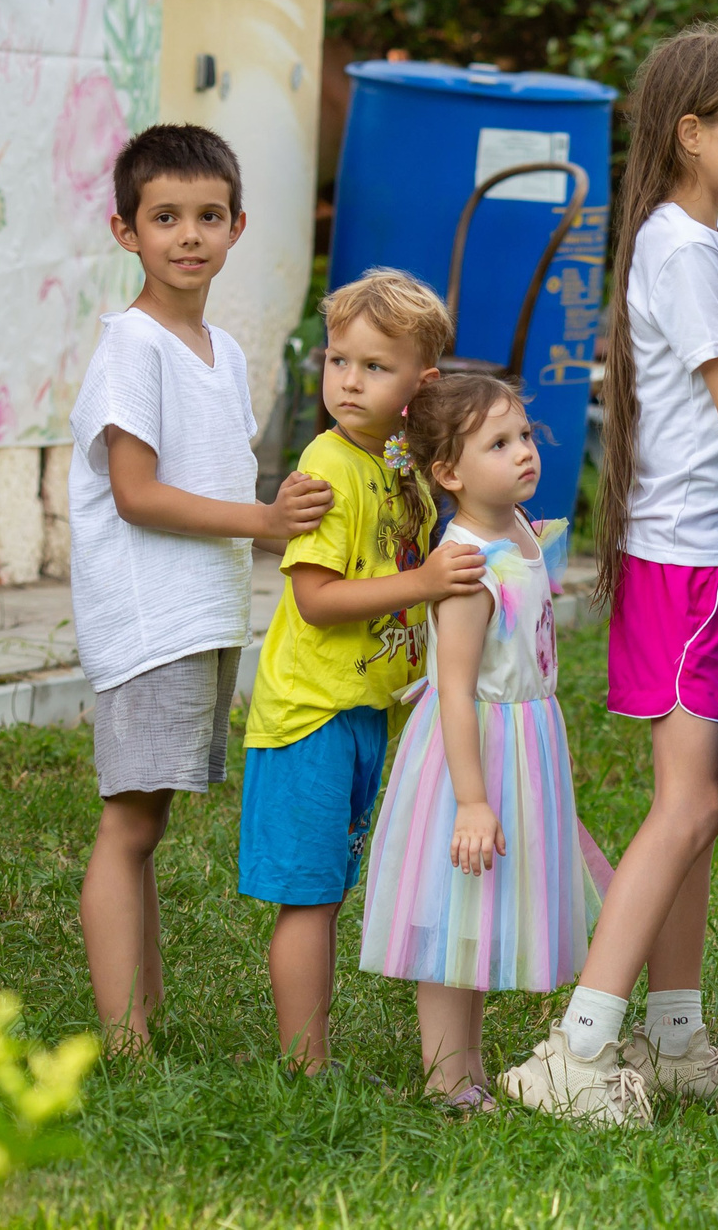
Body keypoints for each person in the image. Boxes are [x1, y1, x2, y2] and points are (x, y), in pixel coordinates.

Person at [502, 22, 718, 1124]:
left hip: (714, 561)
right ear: (692, 133)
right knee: (684, 809)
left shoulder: (706, 240)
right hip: (697, 565)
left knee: (700, 811)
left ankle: (673, 1039)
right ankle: (574, 1053)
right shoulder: (681, 245)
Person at [67, 125, 335, 1055]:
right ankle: (124, 1038)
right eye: (165, 217)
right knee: (129, 821)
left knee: (148, 820)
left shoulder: (216, 346)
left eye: (208, 216)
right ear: (124, 231)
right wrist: (264, 521)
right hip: (148, 619)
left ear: (238, 226)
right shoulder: (133, 348)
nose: (189, 235)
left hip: (196, 614)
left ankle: (140, 1016)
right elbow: (137, 494)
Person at [242, 268, 486, 1071]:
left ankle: (311, 1052)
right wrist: (422, 584)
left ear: (423, 382)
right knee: (309, 894)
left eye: (374, 366)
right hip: (310, 711)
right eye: (338, 360)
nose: (348, 380)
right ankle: (304, 1066)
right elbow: (315, 597)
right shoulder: (327, 466)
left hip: (363, 708)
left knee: (332, 888)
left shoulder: (401, 463)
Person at [357, 374, 610, 1114]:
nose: (524, 452)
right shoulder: (466, 561)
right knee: (450, 907)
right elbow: (458, 686)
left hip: (524, 739)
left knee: (479, 907)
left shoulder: (521, 526)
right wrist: (471, 798)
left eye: (525, 435)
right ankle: (446, 1075)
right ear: (448, 473)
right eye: (499, 443)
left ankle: (466, 1066)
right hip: (472, 748)